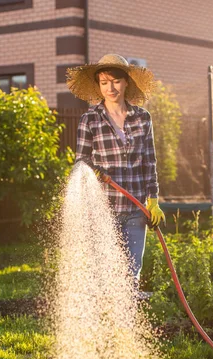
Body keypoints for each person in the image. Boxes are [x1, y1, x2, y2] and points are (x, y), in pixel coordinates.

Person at [67, 53, 165, 293]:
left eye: (116, 81)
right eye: (104, 82)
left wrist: (153, 200)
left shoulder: (143, 118)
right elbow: (81, 161)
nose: (110, 88)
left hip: (135, 209)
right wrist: (96, 171)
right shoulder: (90, 119)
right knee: (106, 271)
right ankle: (106, 321)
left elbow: (149, 162)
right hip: (104, 209)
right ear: (98, 85)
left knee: (131, 272)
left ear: (126, 82)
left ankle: (126, 327)